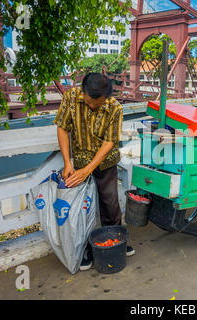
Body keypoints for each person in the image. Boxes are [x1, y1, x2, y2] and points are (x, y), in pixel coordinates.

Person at [53, 73, 135, 271]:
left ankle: (115, 242)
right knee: (82, 209)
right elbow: (62, 128)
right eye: (89, 102)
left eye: (96, 104)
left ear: (105, 97)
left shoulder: (114, 107)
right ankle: (86, 250)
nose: (91, 106)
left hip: (105, 162)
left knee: (110, 204)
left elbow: (109, 142)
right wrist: (67, 162)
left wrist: (89, 169)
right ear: (84, 92)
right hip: (79, 160)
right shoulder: (71, 98)